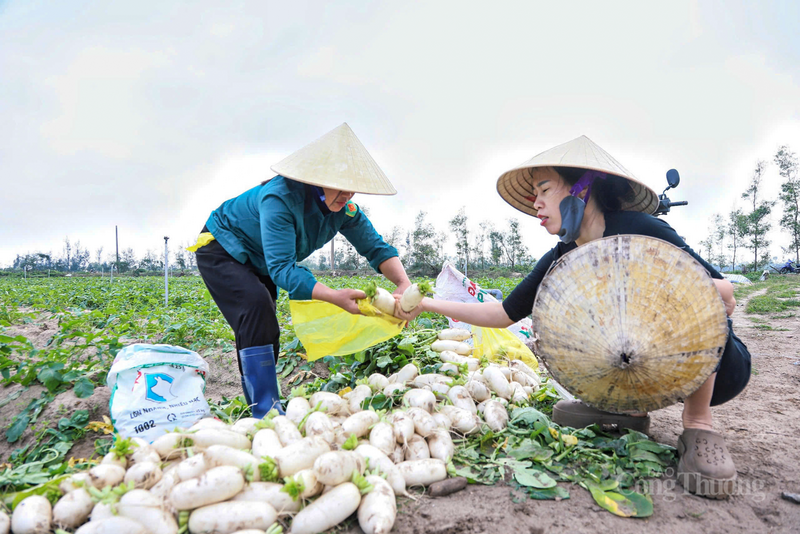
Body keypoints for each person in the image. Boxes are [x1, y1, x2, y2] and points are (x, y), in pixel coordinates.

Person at [397, 136, 751, 499]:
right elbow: (503, 312)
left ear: (581, 190)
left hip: (716, 367)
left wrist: (664, 281)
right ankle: (626, 408)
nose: (535, 203)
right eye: (534, 193)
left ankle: (698, 425)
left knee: (693, 293)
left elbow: (724, 296)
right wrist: (426, 304)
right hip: (640, 366)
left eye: (544, 189)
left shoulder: (641, 228)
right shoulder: (562, 255)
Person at [190, 123, 412, 417]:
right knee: (256, 307)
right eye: (341, 186)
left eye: (353, 188)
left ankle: (266, 404)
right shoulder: (279, 198)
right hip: (223, 247)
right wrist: (333, 295)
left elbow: (376, 248)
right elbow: (282, 269)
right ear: (317, 179)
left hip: (261, 259)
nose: (348, 195)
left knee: (265, 323)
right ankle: (265, 411)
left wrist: (403, 285)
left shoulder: (344, 211)